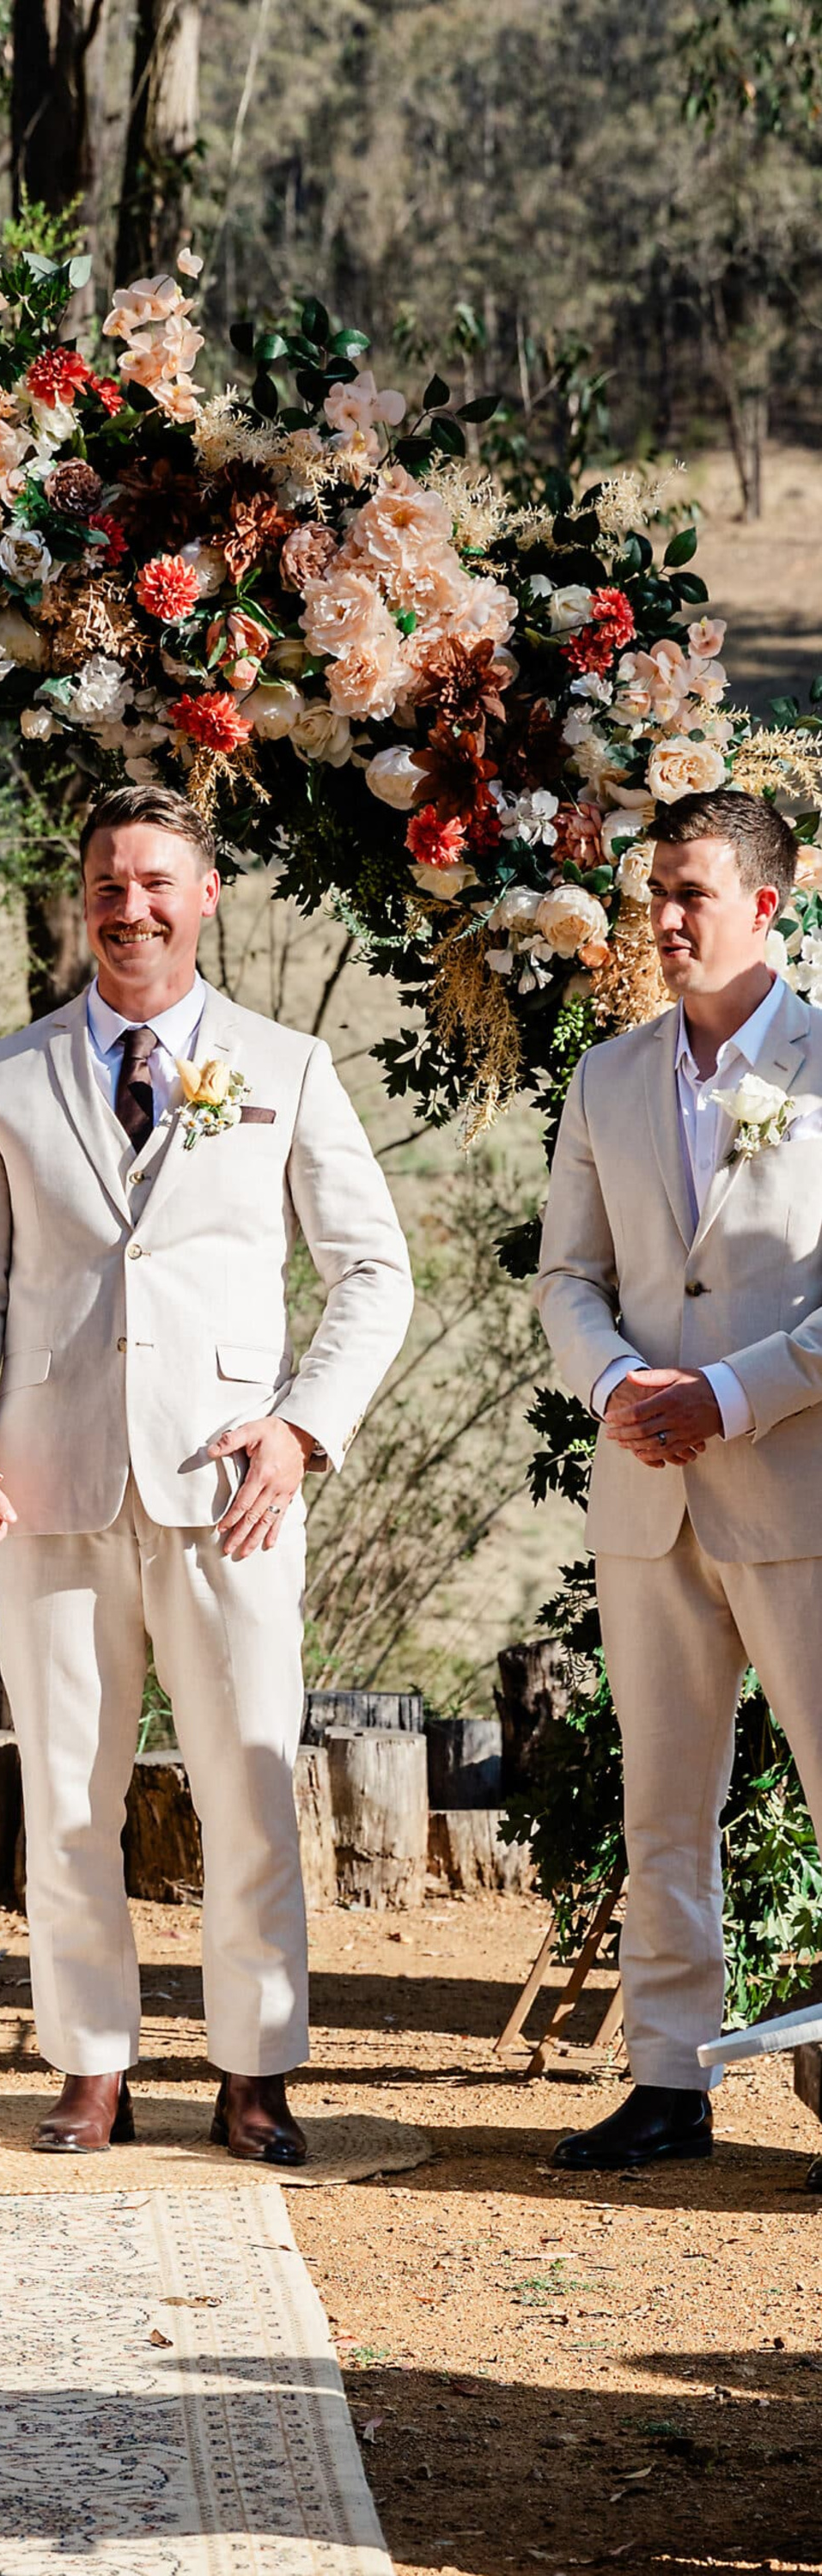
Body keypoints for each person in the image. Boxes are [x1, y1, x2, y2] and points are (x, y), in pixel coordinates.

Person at [0, 785, 413, 2163]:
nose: (129, 907)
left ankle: (255, 2070)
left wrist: (302, 1428)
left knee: (246, 1786)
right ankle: (90, 2066)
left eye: (155, 883)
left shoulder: (287, 1067)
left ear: (206, 897)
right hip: (50, 1487)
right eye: (108, 883)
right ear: (86, 899)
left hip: (234, 1493)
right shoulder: (4, 1080)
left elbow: (374, 1270)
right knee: (68, 1789)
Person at [536, 788, 822, 2171]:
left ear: (770, 905)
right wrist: (617, 1390)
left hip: (802, 1495)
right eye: (656, 889)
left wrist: (732, 1392)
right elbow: (570, 1280)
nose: (662, 918)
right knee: (665, 1801)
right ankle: (669, 2081)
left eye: (692, 892)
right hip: (648, 1499)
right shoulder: (607, 1077)